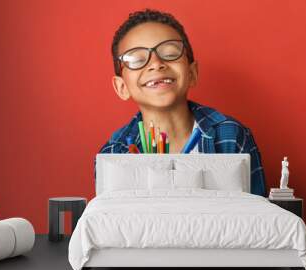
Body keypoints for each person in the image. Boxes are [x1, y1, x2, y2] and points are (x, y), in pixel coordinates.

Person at [98, 9, 266, 196]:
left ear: (192, 73)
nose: (156, 63)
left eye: (170, 53)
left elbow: (257, 219)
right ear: (122, 87)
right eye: (136, 59)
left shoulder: (231, 136)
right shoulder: (113, 153)